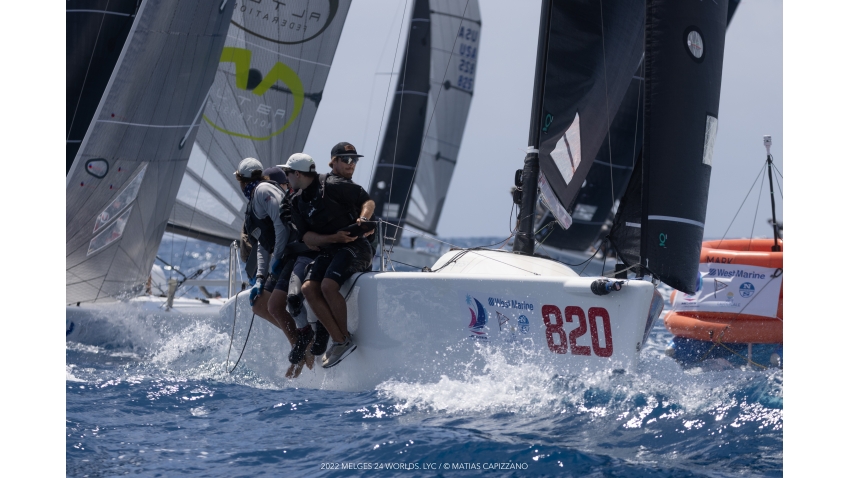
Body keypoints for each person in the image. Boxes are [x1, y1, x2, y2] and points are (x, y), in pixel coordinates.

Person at [284, 143, 375, 368]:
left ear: (297, 174)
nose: (351, 164)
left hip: (357, 248)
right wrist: (334, 238)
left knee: (327, 286)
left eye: (354, 160)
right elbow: (307, 238)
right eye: (346, 160)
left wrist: (363, 219)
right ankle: (340, 340)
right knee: (307, 289)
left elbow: (368, 201)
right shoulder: (296, 201)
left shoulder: (333, 185)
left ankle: (341, 339)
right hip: (332, 249)